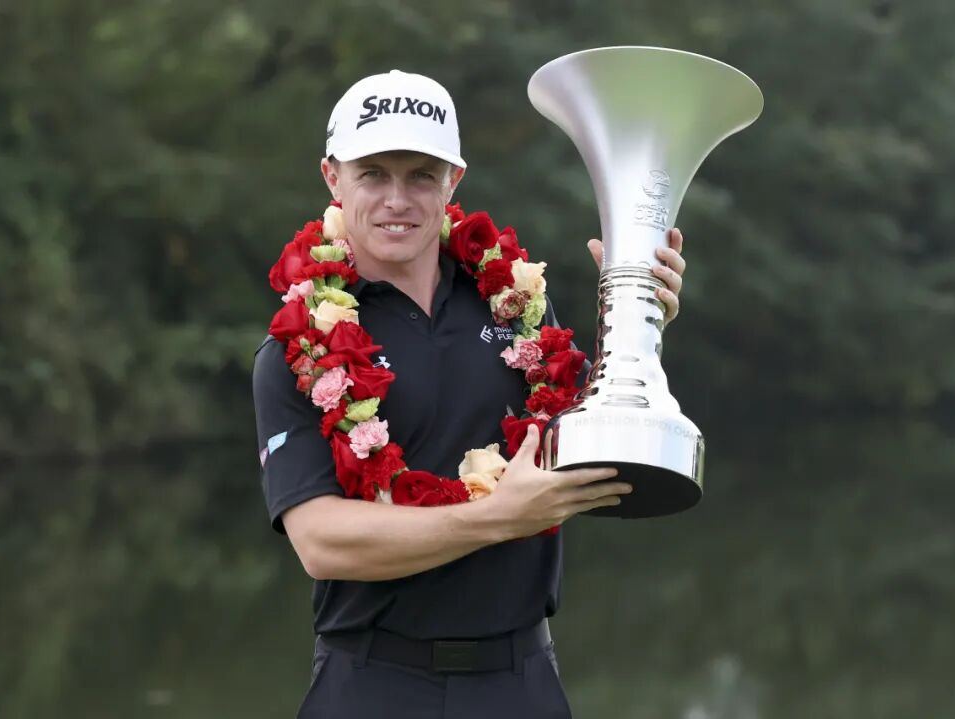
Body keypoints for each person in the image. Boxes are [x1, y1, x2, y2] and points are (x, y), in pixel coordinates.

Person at [252, 69, 687, 718]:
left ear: (453, 180)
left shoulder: (517, 308)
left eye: (421, 175)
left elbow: (585, 449)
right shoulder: (301, 347)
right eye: (374, 174)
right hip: (372, 684)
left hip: (520, 681)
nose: (397, 198)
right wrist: (496, 519)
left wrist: (637, 320)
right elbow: (322, 542)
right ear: (332, 178)